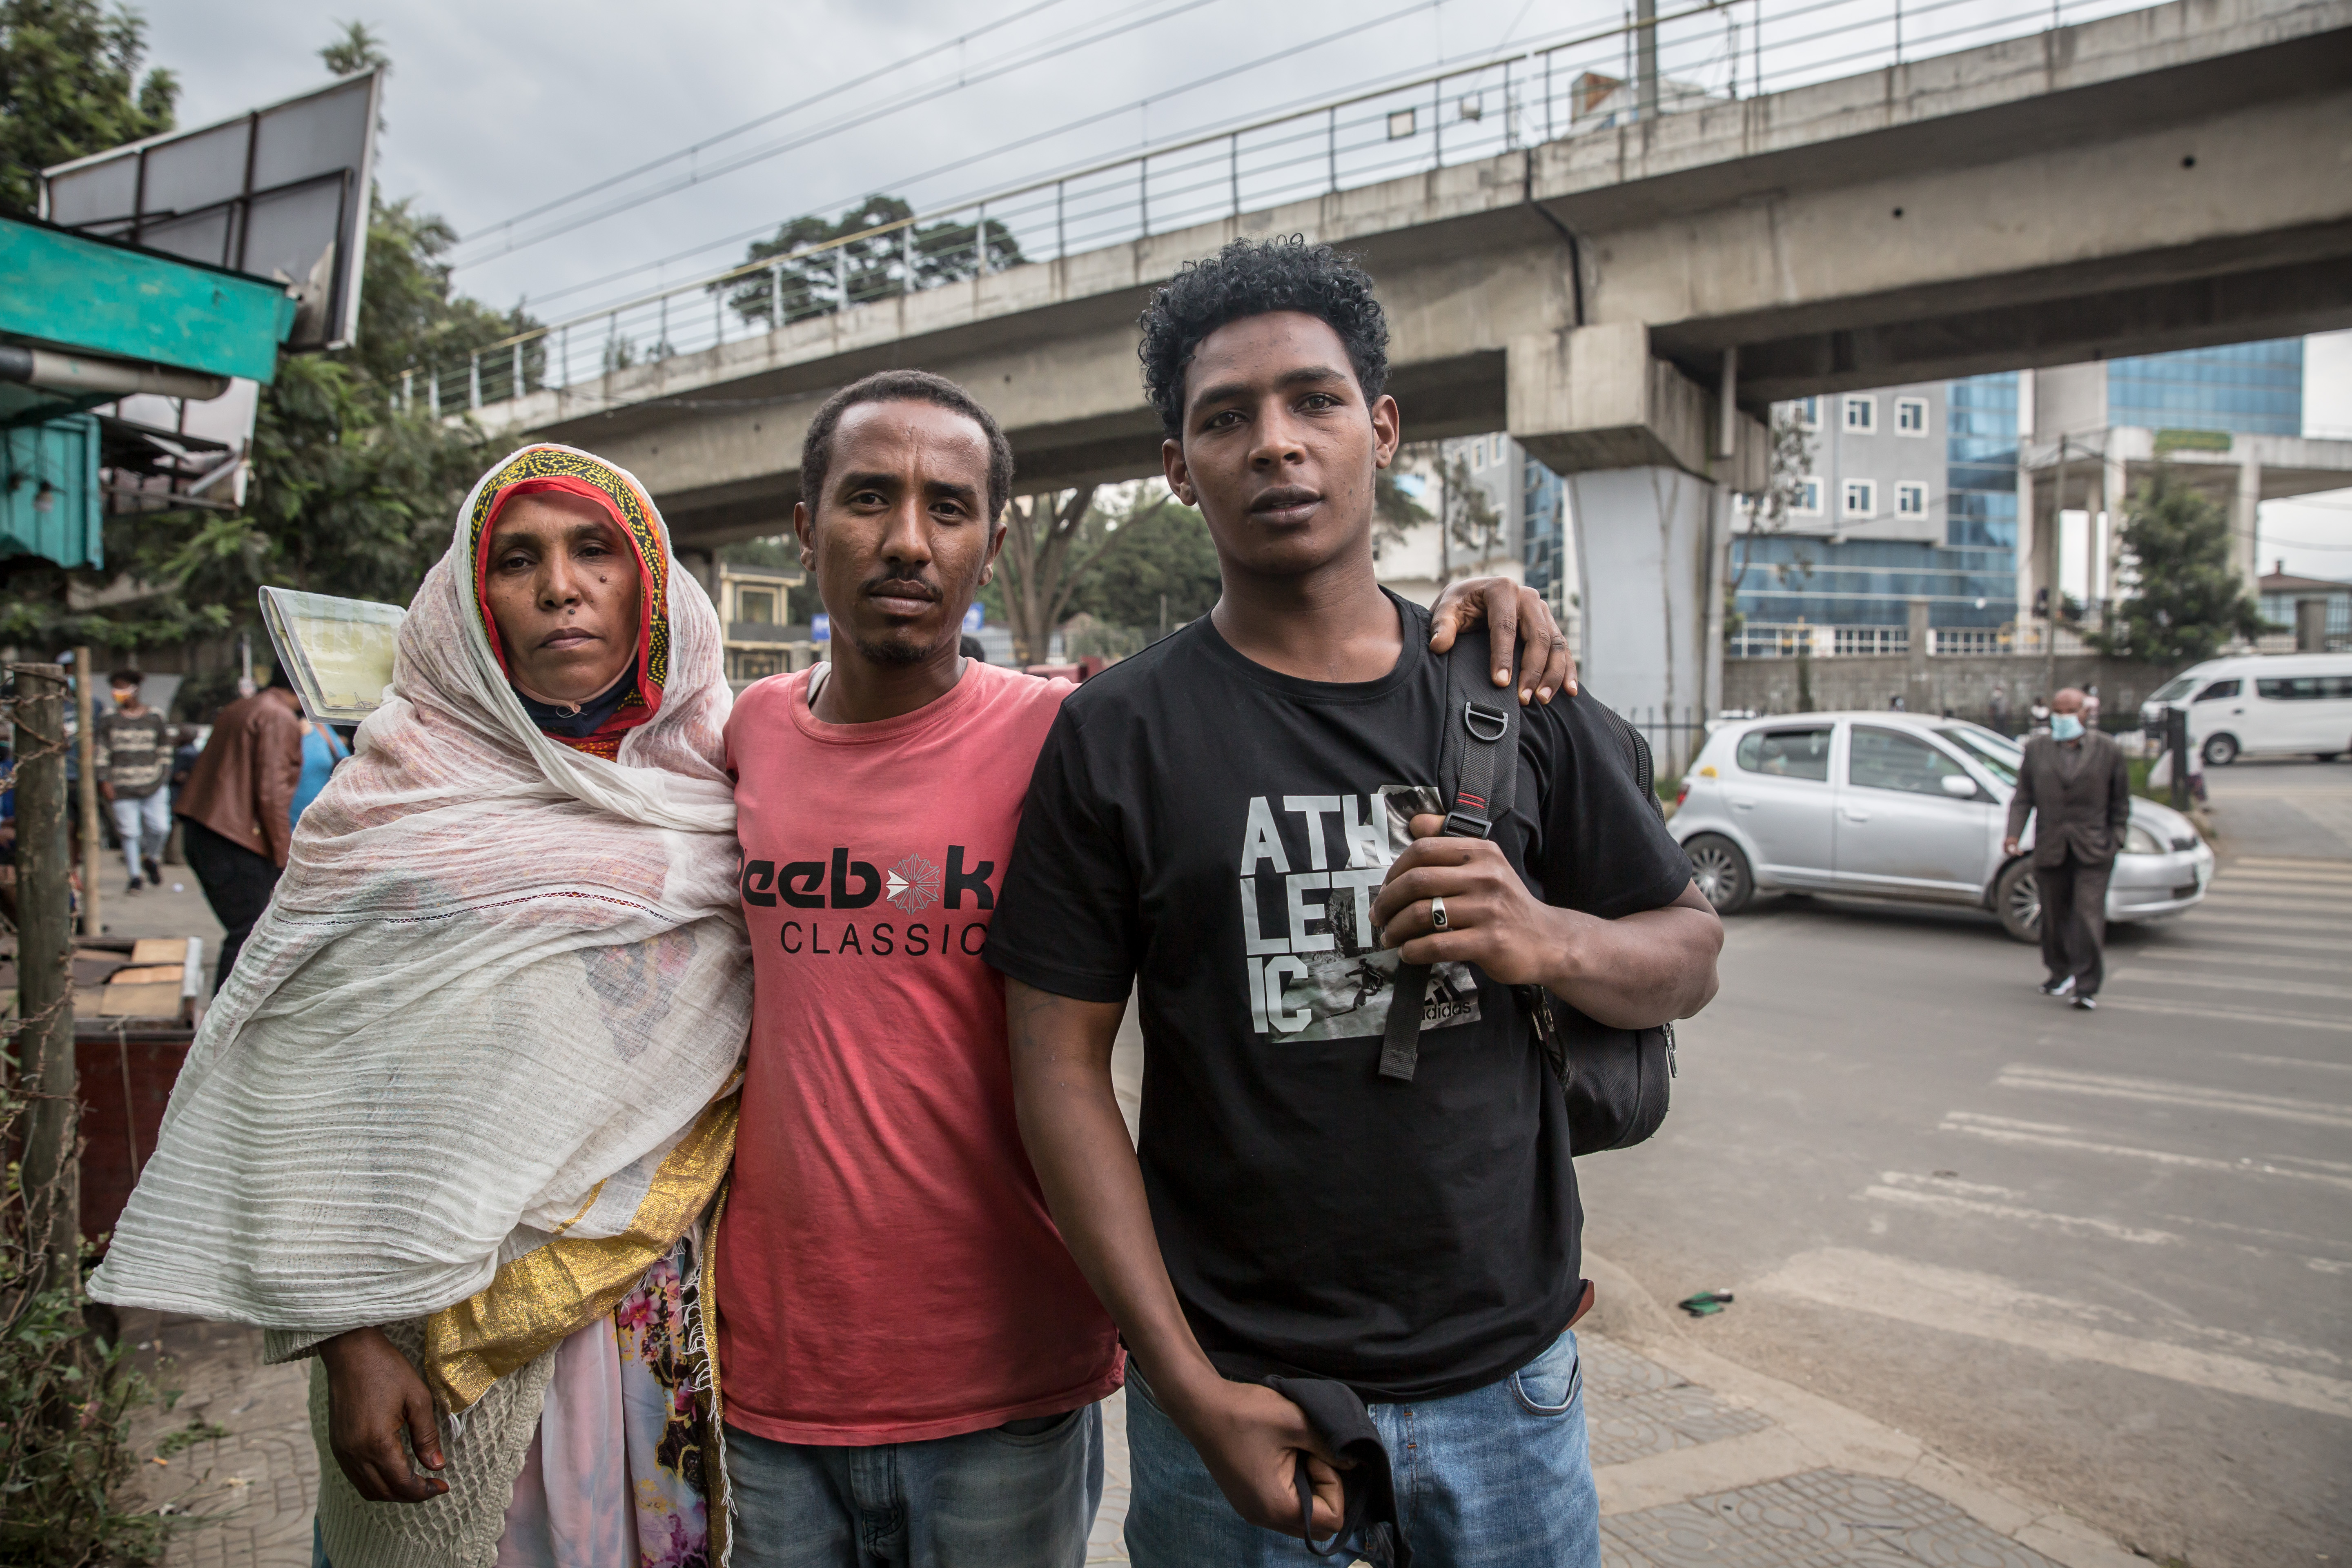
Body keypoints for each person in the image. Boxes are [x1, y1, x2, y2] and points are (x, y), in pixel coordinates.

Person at [717, 367, 1576, 1567]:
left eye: (949, 509)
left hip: (1004, 1374)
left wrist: (1477, 603)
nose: (907, 541)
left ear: (994, 539)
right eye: (867, 499)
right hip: (772, 1364)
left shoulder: (1068, 729)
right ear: (806, 529)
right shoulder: (736, 735)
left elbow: (1282, 671)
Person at [983, 238, 1724, 1566]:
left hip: (1510, 1395)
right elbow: (1056, 1073)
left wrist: (1544, 938)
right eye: (1226, 418)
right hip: (1241, 1399)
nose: (1276, 444)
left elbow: (1689, 951)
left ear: (1380, 428)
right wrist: (1186, 1386)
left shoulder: (1513, 694)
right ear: (1177, 465)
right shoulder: (1116, 735)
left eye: (1314, 402)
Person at [93, 444, 752, 1568]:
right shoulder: (386, 817)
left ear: (651, 583)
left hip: (653, 1330)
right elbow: (297, 1094)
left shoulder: (723, 798)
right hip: (425, 1342)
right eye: (517, 559)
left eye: (595, 548)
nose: (560, 585)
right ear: (468, 601)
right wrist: (344, 1339)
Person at [174, 668, 304, 988]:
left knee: (246, 930)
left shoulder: (244, 707)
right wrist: (283, 855)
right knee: (248, 932)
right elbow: (271, 793)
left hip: (210, 829)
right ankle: (226, 1026)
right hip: (234, 836)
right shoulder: (278, 717)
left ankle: (228, 1022)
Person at [2003, 685, 2128, 1011]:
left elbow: (2120, 802)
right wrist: (2014, 834)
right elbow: (2024, 797)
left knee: (2088, 917)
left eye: (2070, 711)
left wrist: (2116, 839)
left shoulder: (2108, 750)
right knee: (2054, 916)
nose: (2063, 717)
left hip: (2094, 849)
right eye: (2058, 711)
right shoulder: (2037, 750)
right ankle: (2059, 972)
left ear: (2085, 713)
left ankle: (2086, 986)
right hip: (2051, 845)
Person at [96, 668, 174, 894]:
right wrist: (104, 781)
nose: (118, 692)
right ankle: (135, 876)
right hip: (122, 786)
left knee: (161, 827)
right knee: (130, 832)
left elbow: (165, 749)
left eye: (122, 687)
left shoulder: (155, 716)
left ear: (135, 689)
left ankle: (151, 858)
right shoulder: (109, 719)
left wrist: (163, 776)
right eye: (115, 687)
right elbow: (102, 752)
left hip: (154, 783)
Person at [290, 713, 349, 831]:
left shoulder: (320, 726)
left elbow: (346, 764)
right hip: (289, 830)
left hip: (328, 827)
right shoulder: (275, 730)